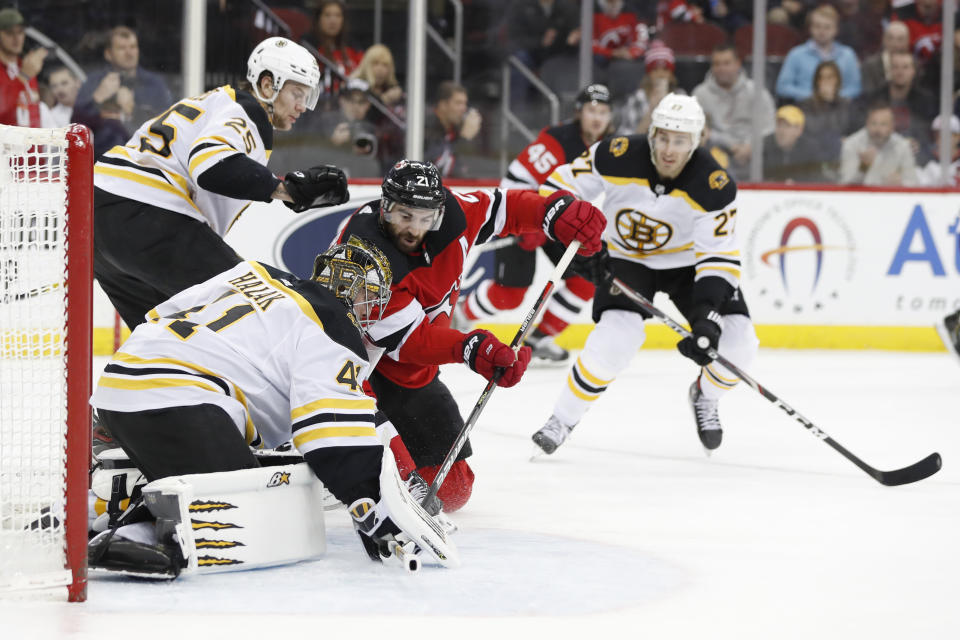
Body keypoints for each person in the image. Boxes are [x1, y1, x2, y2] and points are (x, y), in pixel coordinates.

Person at [87, 238, 454, 575]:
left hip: (121, 379)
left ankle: (115, 472)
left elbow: (162, 313)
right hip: (180, 400)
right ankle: (136, 521)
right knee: (251, 508)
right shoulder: (334, 327)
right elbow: (329, 429)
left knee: (246, 456)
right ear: (365, 298)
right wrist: (372, 507)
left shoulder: (255, 271)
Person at [335, 159, 606, 510]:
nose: (413, 230)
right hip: (355, 377)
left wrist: (554, 211)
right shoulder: (365, 255)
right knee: (391, 482)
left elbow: (504, 208)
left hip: (411, 378)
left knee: (453, 492)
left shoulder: (453, 217)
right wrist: (471, 348)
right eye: (404, 215)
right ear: (385, 206)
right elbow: (411, 342)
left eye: (424, 218)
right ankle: (335, 457)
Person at [531, 93, 759, 456]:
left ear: (698, 140)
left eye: (680, 140)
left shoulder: (714, 184)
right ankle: (562, 418)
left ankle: (706, 394)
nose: (670, 149)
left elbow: (718, 257)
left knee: (739, 341)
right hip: (625, 259)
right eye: (663, 137)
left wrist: (706, 316)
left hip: (688, 265)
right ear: (651, 133)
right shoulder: (616, 153)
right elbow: (557, 188)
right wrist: (577, 240)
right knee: (616, 337)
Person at [93, 36, 350, 332]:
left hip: (100, 225)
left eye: (307, 96)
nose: (302, 106)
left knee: (166, 341)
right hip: (148, 215)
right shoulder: (249, 110)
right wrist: (284, 190)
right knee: (251, 314)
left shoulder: (216, 101)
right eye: (296, 93)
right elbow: (210, 165)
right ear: (268, 85)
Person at [457, 84, 614, 364]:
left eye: (603, 112)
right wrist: (529, 219)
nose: (597, 118)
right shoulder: (557, 141)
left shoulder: (609, 148)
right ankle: (460, 314)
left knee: (585, 281)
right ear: (579, 113)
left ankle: (541, 338)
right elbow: (514, 182)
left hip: (562, 225)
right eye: (591, 110)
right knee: (510, 295)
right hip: (524, 219)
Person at [71, 26, 173, 157]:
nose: (129, 53)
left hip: (143, 162)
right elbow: (75, 127)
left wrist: (133, 111)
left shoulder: (154, 84)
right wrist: (98, 97)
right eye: (122, 48)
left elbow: (167, 127)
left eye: (133, 47)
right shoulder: (95, 82)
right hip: (102, 162)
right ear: (108, 54)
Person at [692, 43, 775, 180]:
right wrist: (729, 145)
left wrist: (750, 146)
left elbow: (769, 126)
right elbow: (697, 129)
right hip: (715, 155)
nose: (722, 68)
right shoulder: (700, 94)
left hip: (754, 155)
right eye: (717, 64)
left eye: (727, 63)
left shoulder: (756, 91)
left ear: (737, 64)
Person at [775, 4, 861, 103]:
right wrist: (814, 96)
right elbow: (782, 87)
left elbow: (855, 88)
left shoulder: (848, 55)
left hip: (840, 111)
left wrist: (835, 97)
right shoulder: (796, 54)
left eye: (827, 27)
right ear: (810, 28)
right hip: (805, 110)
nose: (822, 31)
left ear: (836, 29)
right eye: (817, 26)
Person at [798, 60, 856, 179]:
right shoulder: (805, 106)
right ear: (816, 82)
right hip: (812, 158)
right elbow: (812, 131)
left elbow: (850, 132)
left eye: (830, 77)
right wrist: (826, 103)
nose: (825, 82)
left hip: (841, 156)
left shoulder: (847, 105)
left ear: (837, 80)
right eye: (822, 78)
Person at [840, 102, 918, 186]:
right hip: (860, 197)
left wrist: (901, 183)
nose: (877, 129)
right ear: (867, 123)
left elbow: (913, 182)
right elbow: (846, 184)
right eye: (873, 123)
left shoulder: (903, 146)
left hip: (891, 196)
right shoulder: (851, 144)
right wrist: (863, 168)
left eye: (883, 124)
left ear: (892, 127)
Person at [616, 41, 681, 136]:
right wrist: (651, 110)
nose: (660, 74)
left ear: (671, 75)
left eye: (665, 70)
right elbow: (625, 139)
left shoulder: (681, 97)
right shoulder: (636, 99)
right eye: (655, 70)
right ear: (648, 74)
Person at [303, 0, 363, 102]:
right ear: (318, 19)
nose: (333, 20)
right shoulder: (308, 49)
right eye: (327, 15)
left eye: (338, 15)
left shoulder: (354, 48)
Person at [0, 7, 47, 127]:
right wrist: (23, 76)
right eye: (9, 33)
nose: (16, 38)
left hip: (30, 143)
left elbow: (33, 111)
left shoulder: (26, 65)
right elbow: (2, 109)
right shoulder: (26, 70)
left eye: (20, 32)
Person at [423, 81, 482, 179]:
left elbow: (472, 170)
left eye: (465, 103)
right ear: (443, 105)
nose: (464, 108)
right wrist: (465, 139)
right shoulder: (425, 129)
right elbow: (441, 170)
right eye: (458, 103)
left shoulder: (455, 129)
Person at [762, 105, 824, 183]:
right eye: (779, 125)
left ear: (799, 130)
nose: (782, 131)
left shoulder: (811, 149)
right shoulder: (765, 145)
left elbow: (818, 178)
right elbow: (754, 177)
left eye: (787, 126)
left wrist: (797, 183)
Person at [861, 21, 911, 97]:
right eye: (890, 38)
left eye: (900, 39)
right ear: (884, 40)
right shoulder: (870, 66)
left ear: (907, 41)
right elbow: (868, 97)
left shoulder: (915, 65)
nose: (895, 43)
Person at [916, 114, 960, 186]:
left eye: (945, 135)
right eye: (937, 135)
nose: (940, 139)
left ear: (958, 137)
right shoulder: (926, 161)